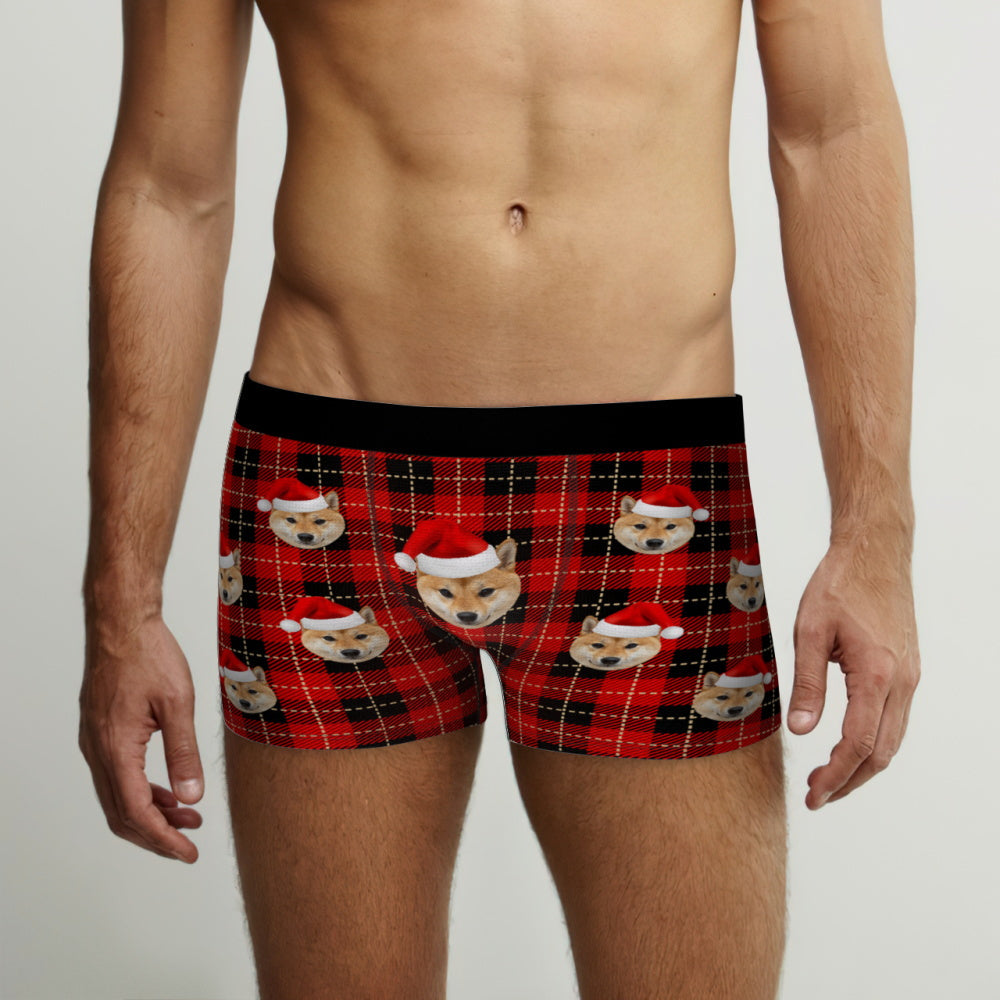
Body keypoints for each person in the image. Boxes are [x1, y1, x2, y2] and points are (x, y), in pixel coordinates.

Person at [77, 0, 920, 997]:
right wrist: (121, 606)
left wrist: (876, 536)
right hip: (329, 487)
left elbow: (832, 131)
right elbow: (168, 188)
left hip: (651, 497)